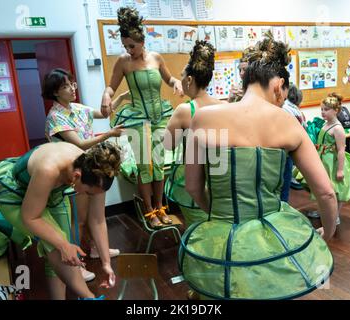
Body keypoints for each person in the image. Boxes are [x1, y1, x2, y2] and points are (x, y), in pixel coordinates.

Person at [179, 33, 337, 299]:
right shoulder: (288, 123)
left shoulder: (202, 119)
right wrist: (328, 233)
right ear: (279, 85)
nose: (282, 100)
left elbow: (193, 187)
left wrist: (221, 215)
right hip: (275, 235)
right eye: (284, 93)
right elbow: (326, 192)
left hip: (221, 236)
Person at [0, 141, 121, 300]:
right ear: (76, 177)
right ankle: (89, 298)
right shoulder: (49, 169)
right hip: (16, 192)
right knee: (57, 245)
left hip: (54, 192)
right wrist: (63, 244)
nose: (87, 196)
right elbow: (30, 217)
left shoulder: (97, 174)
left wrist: (106, 263)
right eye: (87, 193)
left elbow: (98, 220)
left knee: (63, 251)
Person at [101, 7, 183, 228]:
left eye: (132, 46)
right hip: (138, 118)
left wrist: (176, 82)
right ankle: (149, 211)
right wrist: (106, 96)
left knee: (159, 163)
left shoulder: (156, 58)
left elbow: (169, 79)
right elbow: (111, 87)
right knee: (144, 165)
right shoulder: (123, 62)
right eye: (125, 45)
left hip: (159, 117)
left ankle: (160, 207)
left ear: (142, 41)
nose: (129, 50)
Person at [43, 68, 125, 282]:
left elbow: (103, 113)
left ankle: (99, 250)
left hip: (94, 167)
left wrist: (120, 97)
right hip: (75, 173)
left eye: (72, 84)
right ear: (55, 93)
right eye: (65, 87)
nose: (71, 89)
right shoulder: (55, 117)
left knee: (98, 216)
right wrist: (108, 134)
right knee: (78, 221)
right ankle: (76, 265)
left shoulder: (77, 108)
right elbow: (79, 143)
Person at [164, 40, 226, 227]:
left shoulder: (185, 110)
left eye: (182, 76)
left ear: (189, 80)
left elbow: (168, 144)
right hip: (221, 180)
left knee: (200, 231)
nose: (180, 80)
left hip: (194, 183)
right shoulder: (225, 106)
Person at [307, 93, 350, 225]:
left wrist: (339, 170)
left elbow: (341, 150)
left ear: (336, 110)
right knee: (322, 187)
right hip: (322, 160)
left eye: (326, 110)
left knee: (335, 190)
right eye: (321, 109)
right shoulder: (326, 124)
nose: (322, 112)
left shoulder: (338, 129)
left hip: (332, 162)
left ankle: (334, 215)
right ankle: (322, 211)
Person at [280, 84, 306, 202]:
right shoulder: (298, 111)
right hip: (293, 148)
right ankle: (284, 203)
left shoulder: (284, 108)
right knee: (286, 178)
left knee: (283, 179)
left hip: (283, 148)